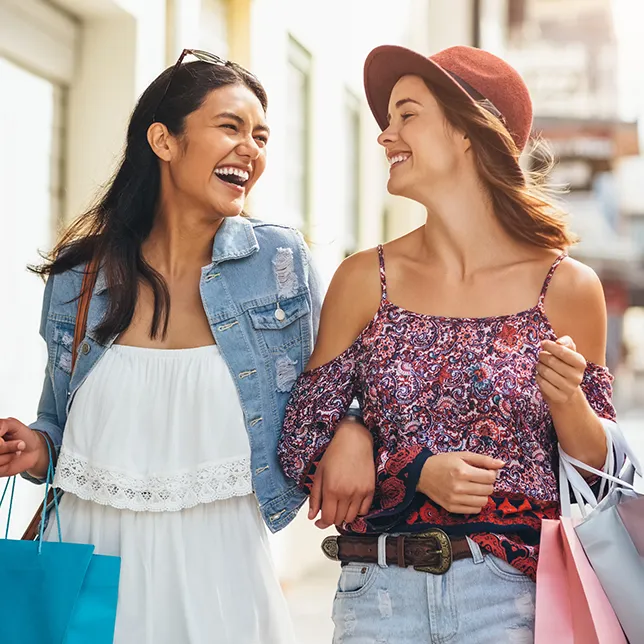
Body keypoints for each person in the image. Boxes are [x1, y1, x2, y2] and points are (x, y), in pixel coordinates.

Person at [0, 49, 361, 644]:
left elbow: (329, 394)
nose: (251, 149)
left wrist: (352, 428)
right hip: (89, 561)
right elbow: (58, 430)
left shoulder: (278, 264)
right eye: (231, 127)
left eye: (261, 136)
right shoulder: (80, 279)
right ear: (164, 141)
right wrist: (33, 448)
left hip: (219, 570)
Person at [278, 45, 616, 643]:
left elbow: (597, 481)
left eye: (406, 115)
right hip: (377, 596)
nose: (385, 135)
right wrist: (403, 466)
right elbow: (300, 444)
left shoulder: (567, 288)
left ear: (468, 132)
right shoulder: (363, 280)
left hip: (517, 602)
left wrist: (571, 406)